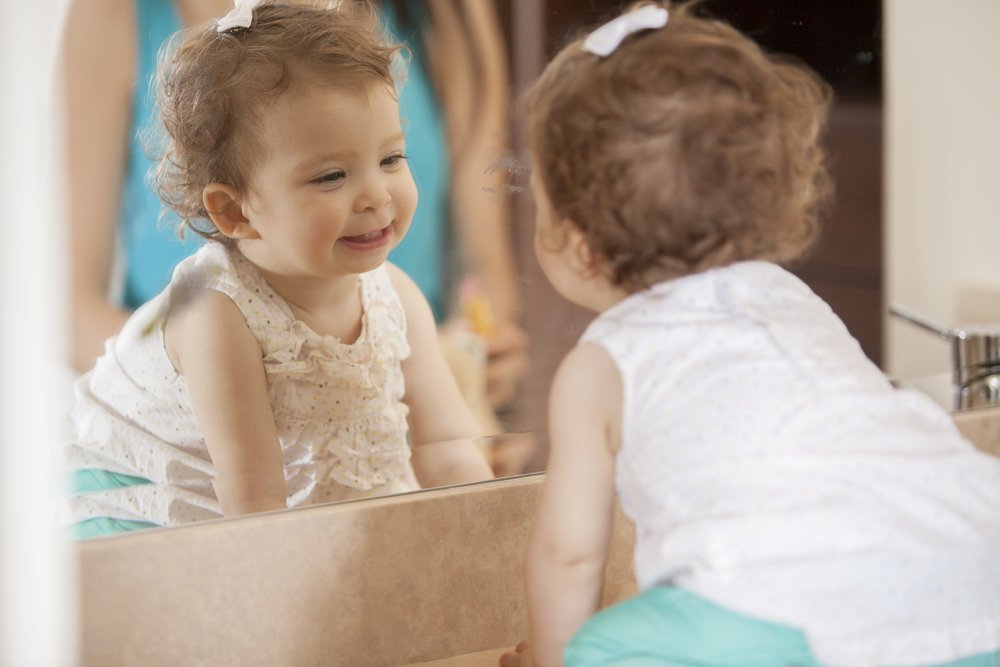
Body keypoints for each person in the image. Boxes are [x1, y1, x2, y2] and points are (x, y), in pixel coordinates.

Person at [501, 3, 1000, 666]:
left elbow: (569, 554)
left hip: (780, 608)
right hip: (971, 565)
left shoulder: (603, 361)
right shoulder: (790, 298)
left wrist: (551, 657)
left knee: (603, 646)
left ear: (578, 240)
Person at [54, 0, 494, 540]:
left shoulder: (397, 298)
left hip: (277, 498)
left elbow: (447, 446)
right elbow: (256, 508)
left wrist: (485, 528)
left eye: (390, 159)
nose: (376, 196)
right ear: (235, 211)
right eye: (332, 176)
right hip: (148, 514)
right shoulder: (218, 315)